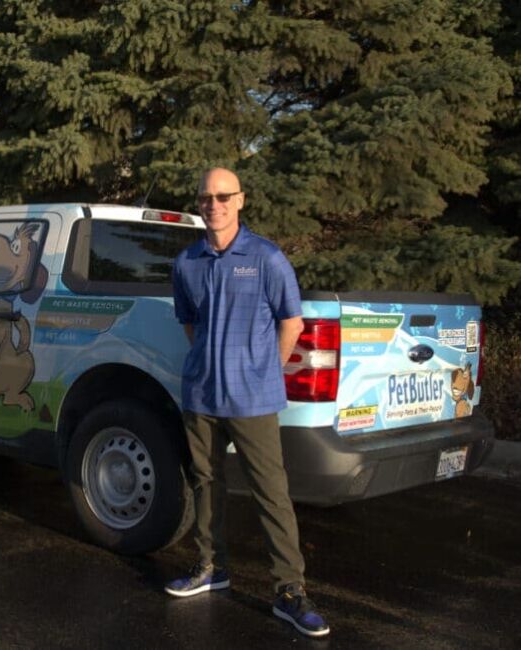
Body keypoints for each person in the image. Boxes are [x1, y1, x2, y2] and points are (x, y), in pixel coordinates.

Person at [165, 167, 330, 638]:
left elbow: (291, 324)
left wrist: (263, 372)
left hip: (253, 399)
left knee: (270, 492)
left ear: (240, 201)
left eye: (222, 196)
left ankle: (289, 591)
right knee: (206, 481)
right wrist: (208, 365)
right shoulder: (187, 262)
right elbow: (190, 323)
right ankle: (211, 568)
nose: (213, 204)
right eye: (204, 198)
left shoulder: (266, 258)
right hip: (201, 395)